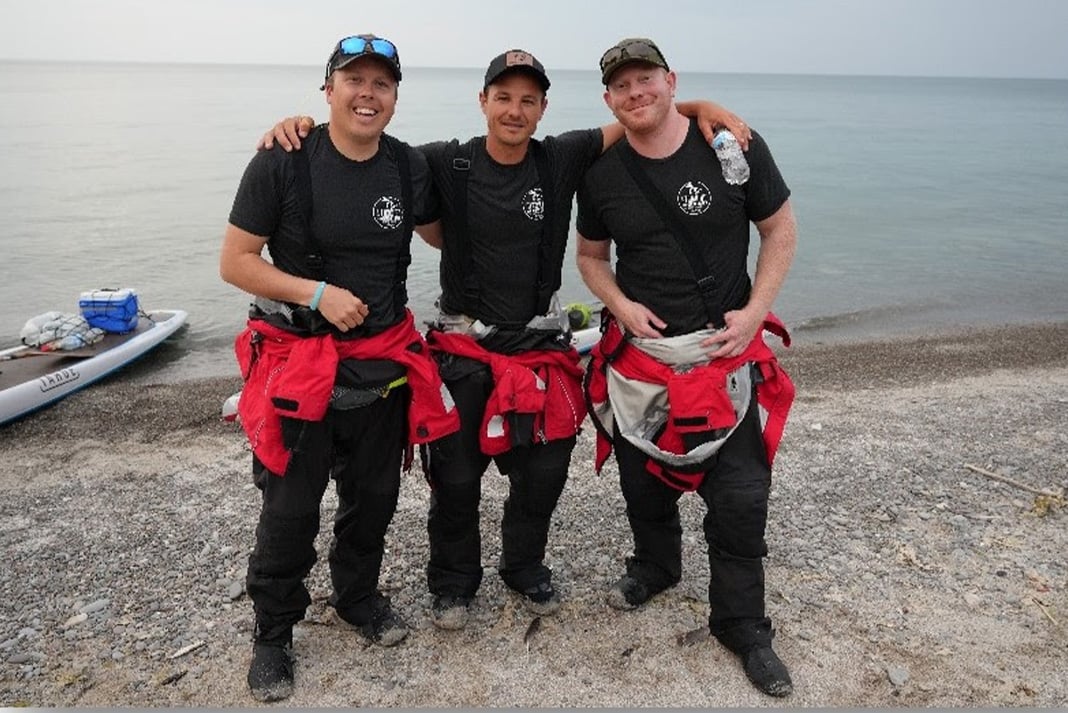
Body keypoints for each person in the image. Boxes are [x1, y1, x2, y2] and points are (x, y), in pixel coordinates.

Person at [260, 50, 751, 631]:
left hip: (540, 346)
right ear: (483, 102)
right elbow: (362, 154)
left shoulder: (562, 157)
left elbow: (641, 114)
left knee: (542, 473)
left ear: (543, 108)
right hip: (462, 346)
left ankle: (523, 566)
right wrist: (298, 131)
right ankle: (453, 583)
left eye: (527, 100)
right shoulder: (443, 163)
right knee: (457, 477)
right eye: (503, 97)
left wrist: (700, 106)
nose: (514, 111)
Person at [219, 34, 459, 702]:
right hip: (302, 370)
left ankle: (357, 597)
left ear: (395, 98)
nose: (368, 94)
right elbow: (235, 261)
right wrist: (313, 292)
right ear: (327, 90)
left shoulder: (412, 170)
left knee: (374, 501)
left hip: (381, 371)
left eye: (382, 84)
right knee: (290, 510)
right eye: (354, 80)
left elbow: (450, 226)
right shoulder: (283, 160)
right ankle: (273, 634)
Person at [575, 38, 798, 698]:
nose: (637, 92)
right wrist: (618, 304)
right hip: (641, 362)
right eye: (623, 86)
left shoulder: (732, 145)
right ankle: (656, 565)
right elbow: (591, 256)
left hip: (721, 353)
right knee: (644, 481)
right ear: (609, 99)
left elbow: (779, 229)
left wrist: (757, 310)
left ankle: (742, 624)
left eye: (647, 79)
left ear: (671, 81)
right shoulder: (602, 171)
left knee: (740, 496)